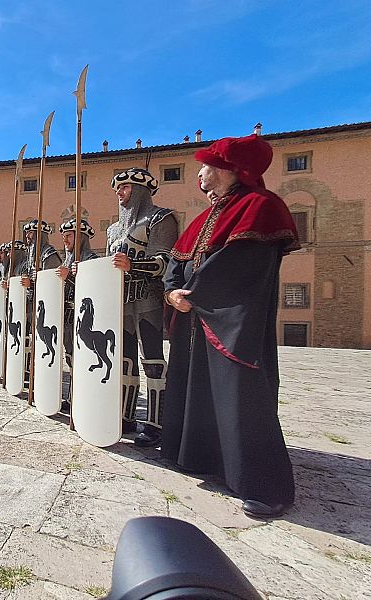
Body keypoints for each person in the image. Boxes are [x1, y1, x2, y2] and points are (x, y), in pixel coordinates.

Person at [162, 133, 299, 519]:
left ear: (231, 169)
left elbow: (241, 267)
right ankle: (199, 458)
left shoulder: (261, 207)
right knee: (195, 391)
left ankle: (264, 486)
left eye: (206, 166)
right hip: (193, 322)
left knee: (240, 396)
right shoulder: (202, 219)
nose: (200, 173)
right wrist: (172, 292)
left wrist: (196, 293)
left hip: (231, 323)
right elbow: (176, 263)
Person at [108, 167, 178, 447]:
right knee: (125, 362)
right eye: (118, 188)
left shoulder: (161, 218)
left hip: (148, 297)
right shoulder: (113, 229)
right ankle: (126, 416)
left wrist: (133, 264)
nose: (120, 192)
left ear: (140, 191)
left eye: (125, 188)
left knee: (152, 362)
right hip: (122, 300)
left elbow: (166, 260)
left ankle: (155, 423)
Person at [57, 218, 98, 367]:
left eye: (69, 236)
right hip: (67, 317)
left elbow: (93, 290)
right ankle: (72, 382)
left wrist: (70, 276)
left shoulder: (92, 260)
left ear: (80, 237)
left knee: (84, 356)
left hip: (83, 318)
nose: (65, 240)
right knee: (70, 356)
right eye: (64, 236)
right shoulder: (66, 261)